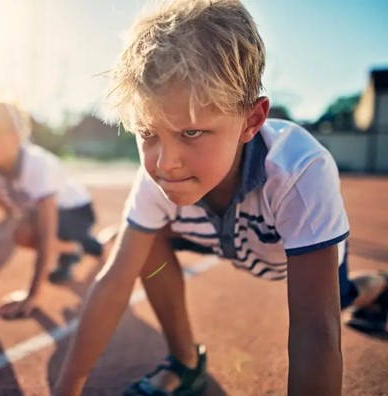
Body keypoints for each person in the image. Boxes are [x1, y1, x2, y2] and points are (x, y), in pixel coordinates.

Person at [53, 1, 388, 395]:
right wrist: (68, 387)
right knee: (139, 244)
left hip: (287, 255)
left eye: (191, 133)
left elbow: (315, 331)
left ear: (251, 121)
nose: (166, 163)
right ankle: (185, 362)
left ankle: (378, 285)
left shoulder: (299, 171)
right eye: (148, 133)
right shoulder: (156, 176)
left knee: (340, 298)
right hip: (216, 238)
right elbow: (114, 282)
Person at [0, 97, 113, 318]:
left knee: (27, 231)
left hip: (77, 213)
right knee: (23, 232)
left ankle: (87, 246)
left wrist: (32, 295)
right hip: (49, 218)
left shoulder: (37, 164)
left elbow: (47, 230)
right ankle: (73, 249)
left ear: (14, 139)